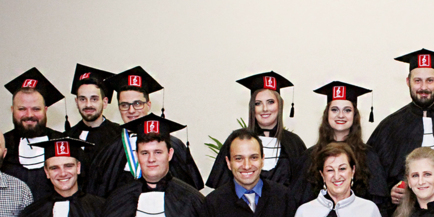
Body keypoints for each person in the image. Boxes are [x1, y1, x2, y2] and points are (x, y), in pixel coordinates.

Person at [368, 48, 434, 209]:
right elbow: (373, 176)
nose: (423, 87)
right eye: (417, 80)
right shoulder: (390, 127)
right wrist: (389, 191)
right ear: (408, 81)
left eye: (430, 80)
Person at [88, 66, 204, 196]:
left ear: (148, 105)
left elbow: (190, 195)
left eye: (137, 103)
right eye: (124, 105)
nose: (131, 111)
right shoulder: (108, 149)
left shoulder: (174, 145)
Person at [289, 81, 386, 206]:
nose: (341, 115)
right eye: (334, 110)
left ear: (354, 116)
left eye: (347, 110)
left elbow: (377, 205)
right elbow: (298, 202)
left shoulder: (368, 157)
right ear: (327, 114)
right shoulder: (309, 157)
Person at [205, 71, 308, 189]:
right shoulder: (237, 140)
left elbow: (302, 189)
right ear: (252, 107)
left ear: (280, 105)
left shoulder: (294, 143)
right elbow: (222, 191)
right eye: (258, 103)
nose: (264, 109)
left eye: (270, 102)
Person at [1, 67, 65, 201]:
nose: (29, 115)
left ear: (45, 110)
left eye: (36, 109)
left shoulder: (63, 143)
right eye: (22, 109)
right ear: (12, 110)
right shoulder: (0, 145)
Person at [64, 64, 122, 163]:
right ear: (76, 102)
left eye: (94, 99)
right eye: (82, 99)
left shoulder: (119, 135)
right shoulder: (68, 137)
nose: (88, 104)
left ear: (104, 102)